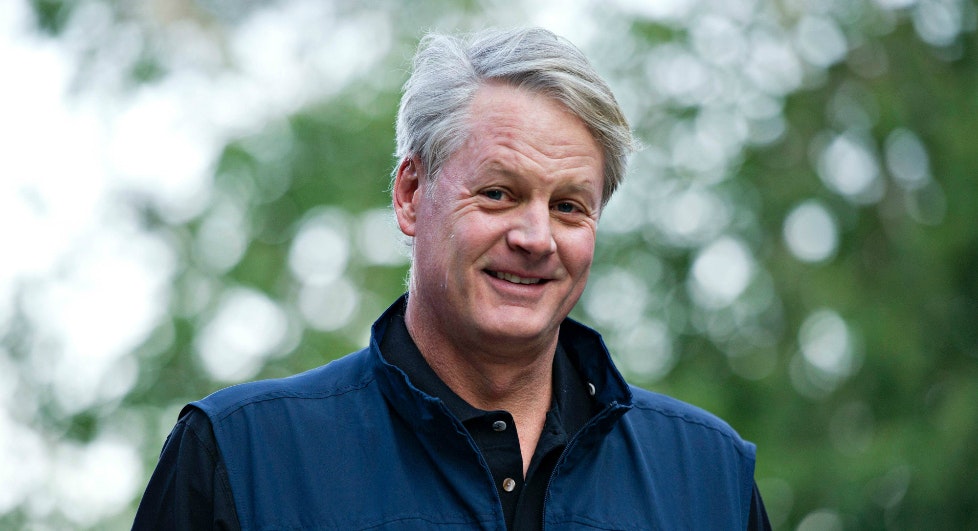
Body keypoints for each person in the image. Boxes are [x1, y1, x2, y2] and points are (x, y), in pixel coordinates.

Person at [133, 27, 771, 530]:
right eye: (498, 193)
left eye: (570, 206)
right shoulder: (244, 456)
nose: (536, 238)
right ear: (411, 194)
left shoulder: (709, 476)